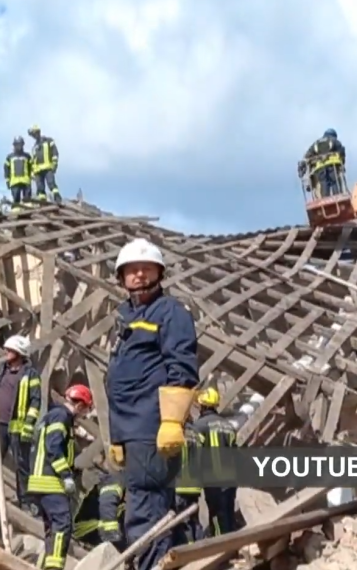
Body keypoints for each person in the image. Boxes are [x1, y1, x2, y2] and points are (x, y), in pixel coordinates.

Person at [105, 237, 200, 570]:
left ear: (159, 273)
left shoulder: (170, 312)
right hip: (132, 432)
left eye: (146, 269)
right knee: (152, 506)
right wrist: (117, 437)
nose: (140, 275)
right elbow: (118, 383)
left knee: (145, 511)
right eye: (132, 270)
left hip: (151, 428)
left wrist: (172, 420)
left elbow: (182, 366)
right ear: (121, 277)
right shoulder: (123, 320)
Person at [28, 384, 93, 570]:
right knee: (62, 525)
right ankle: (54, 568)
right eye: (85, 410)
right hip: (50, 482)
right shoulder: (61, 416)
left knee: (52, 529)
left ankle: (45, 565)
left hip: (41, 481)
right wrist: (66, 475)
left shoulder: (54, 416)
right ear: (80, 405)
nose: (84, 415)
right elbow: (53, 448)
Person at [0, 335, 41, 510]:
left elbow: (36, 401)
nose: (6, 352)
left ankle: (26, 503)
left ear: (19, 353)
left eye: (9, 350)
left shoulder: (30, 375)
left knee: (21, 467)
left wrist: (28, 426)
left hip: (18, 427)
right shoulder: (0, 369)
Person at [191, 387, 240, 537]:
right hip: (230, 479)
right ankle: (232, 545)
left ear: (203, 405)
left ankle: (221, 549)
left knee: (217, 516)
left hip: (213, 480)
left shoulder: (199, 426)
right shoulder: (228, 426)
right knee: (228, 514)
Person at [73, 468, 125, 550]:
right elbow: (108, 508)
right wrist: (112, 540)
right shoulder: (116, 481)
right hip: (86, 532)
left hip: (96, 530)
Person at [172, 423, 204, 545]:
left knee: (183, 521)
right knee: (194, 519)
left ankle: (189, 547)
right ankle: (201, 545)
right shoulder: (197, 434)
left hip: (181, 485)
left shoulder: (177, 434)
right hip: (195, 485)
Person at [302, 128, 347, 199]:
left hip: (320, 168)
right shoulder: (334, 140)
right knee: (335, 183)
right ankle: (338, 197)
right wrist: (342, 164)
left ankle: (325, 199)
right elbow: (341, 152)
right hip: (333, 166)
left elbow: (307, 156)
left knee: (324, 184)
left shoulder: (316, 143)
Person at [27, 125, 61, 204]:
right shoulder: (34, 147)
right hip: (37, 171)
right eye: (32, 135)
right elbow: (33, 161)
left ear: (38, 132)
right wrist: (32, 172)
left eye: (34, 134)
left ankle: (57, 198)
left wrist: (54, 164)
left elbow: (55, 153)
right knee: (40, 188)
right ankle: (42, 202)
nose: (34, 136)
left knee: (51, 184)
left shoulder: (48, 141)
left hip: (48, 168)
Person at [4, 136, 33, 212]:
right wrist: (7, 180)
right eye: (17, 144)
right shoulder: (9, 157)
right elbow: (6, 169)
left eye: (20, 144)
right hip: (14, 182)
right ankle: (16, 215)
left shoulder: (27, 156)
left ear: (23, 145)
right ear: (14, 145)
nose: (19, 146)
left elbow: (31, 167)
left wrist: (32, 176)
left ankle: (28, 212)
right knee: (16, 200)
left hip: (26, 181)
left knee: (27, 200)